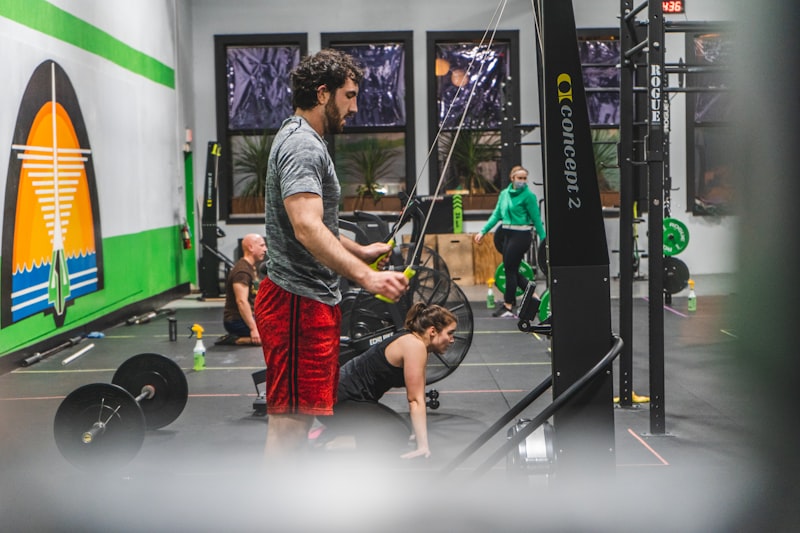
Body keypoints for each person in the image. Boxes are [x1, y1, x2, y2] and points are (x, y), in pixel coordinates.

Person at [254, 49, 410, 457]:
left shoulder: (306, 141)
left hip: (310, 301)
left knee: (300, 420)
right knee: (288, 427)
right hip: (295, 302)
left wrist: (360, 251)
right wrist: (367, 277)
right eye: (350, 95)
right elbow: (306, 227)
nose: (355, 107)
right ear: (323, 94)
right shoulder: (303, 146)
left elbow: (316, 224)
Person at [331, 303, 457, 459]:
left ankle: (349, 437)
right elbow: (415, 400)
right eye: (450, 333)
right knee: (396, 434)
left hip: (345, 398)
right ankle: (343, 442)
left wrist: (418, 434)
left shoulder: (416, 343)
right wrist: (423, 446)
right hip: (337, 401)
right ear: (432, 331)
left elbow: (419, 396)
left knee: (400, 430)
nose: (452, 340)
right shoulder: (414, 346)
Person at [474, 165, 546, 317]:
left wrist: (544, 240)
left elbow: (537, 220)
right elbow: (496, 215)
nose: (522, 181)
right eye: (519, 178)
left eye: (525, 178)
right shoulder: (504, 194)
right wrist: (483, 231)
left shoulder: (529, 197)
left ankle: (508, 306)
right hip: (507, 235)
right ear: (512, 178)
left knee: (510, 270)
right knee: (511, 270)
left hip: (521, 236)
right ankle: (535, 298)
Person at [220, 234, 267, 345]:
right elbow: (241, 302)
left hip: (251, 316)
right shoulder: (242, 272)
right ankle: (237, 340)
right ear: (250, 248)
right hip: (236, 321)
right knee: (273, 338)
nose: (265, 249)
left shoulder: (252, 267)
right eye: (262, 245)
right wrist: (253, 329)